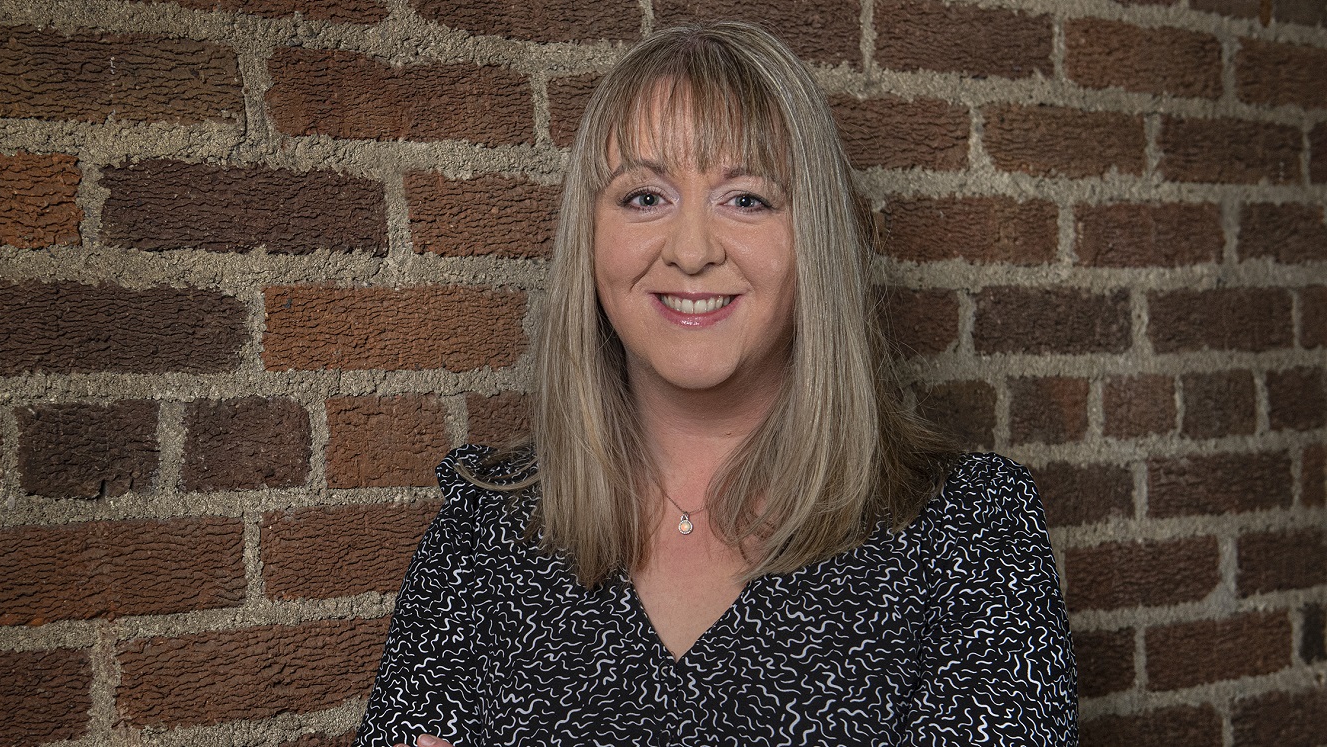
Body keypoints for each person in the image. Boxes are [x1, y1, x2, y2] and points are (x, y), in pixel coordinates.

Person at [352, 21, 1076, 747]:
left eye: (747, 199)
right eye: (644, 197)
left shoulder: (968, 532)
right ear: (590, 235)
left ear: (814, 238)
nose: (692, 250)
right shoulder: (483, 535)